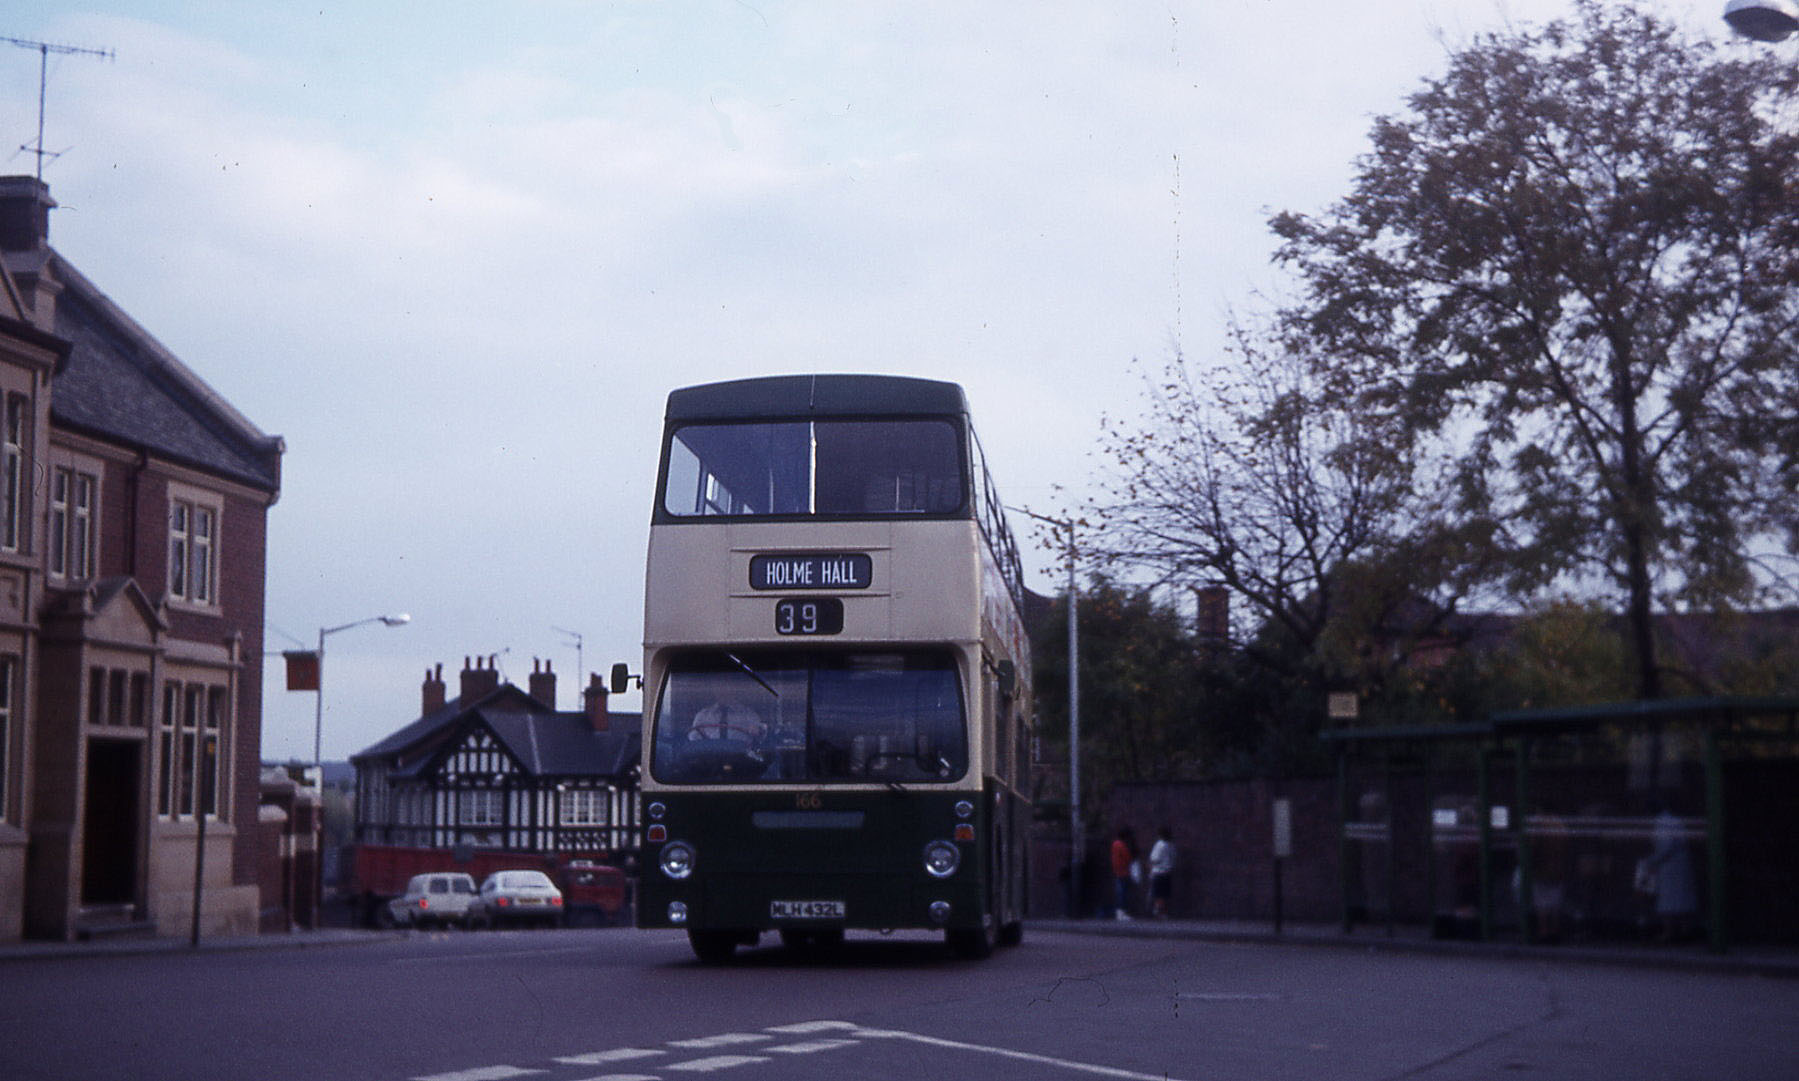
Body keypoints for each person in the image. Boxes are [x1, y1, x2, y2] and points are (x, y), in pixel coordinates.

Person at [1643, 799, 1697, 942]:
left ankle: (1669, 932)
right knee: (1681, 900)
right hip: (1678, 864)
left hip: (1670, 866)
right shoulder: (1674, 820)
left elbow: (1665, 847)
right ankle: (1685, 931)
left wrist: (1651, 861)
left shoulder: (1662, 823)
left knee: (1669, 901)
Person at [1109, 827, 1138, 920]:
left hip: (1118, 870)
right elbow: (1128, 857)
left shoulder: (1115, 844)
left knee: (1120, 892)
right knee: (1123, 893)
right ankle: (1121, 912)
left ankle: (1120, 912)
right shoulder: (1121, 845)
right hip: (1123, 871)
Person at [1147, 827, 1176, 918]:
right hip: (1168, 872)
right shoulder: (1171, 845)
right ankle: (1163, 911)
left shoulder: (1159, 845)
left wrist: (1150, 866)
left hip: (1158, 872)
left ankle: (1158, 911)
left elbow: (1154, 859)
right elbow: (1174, 858)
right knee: (1165, 894)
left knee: (1158, 893)